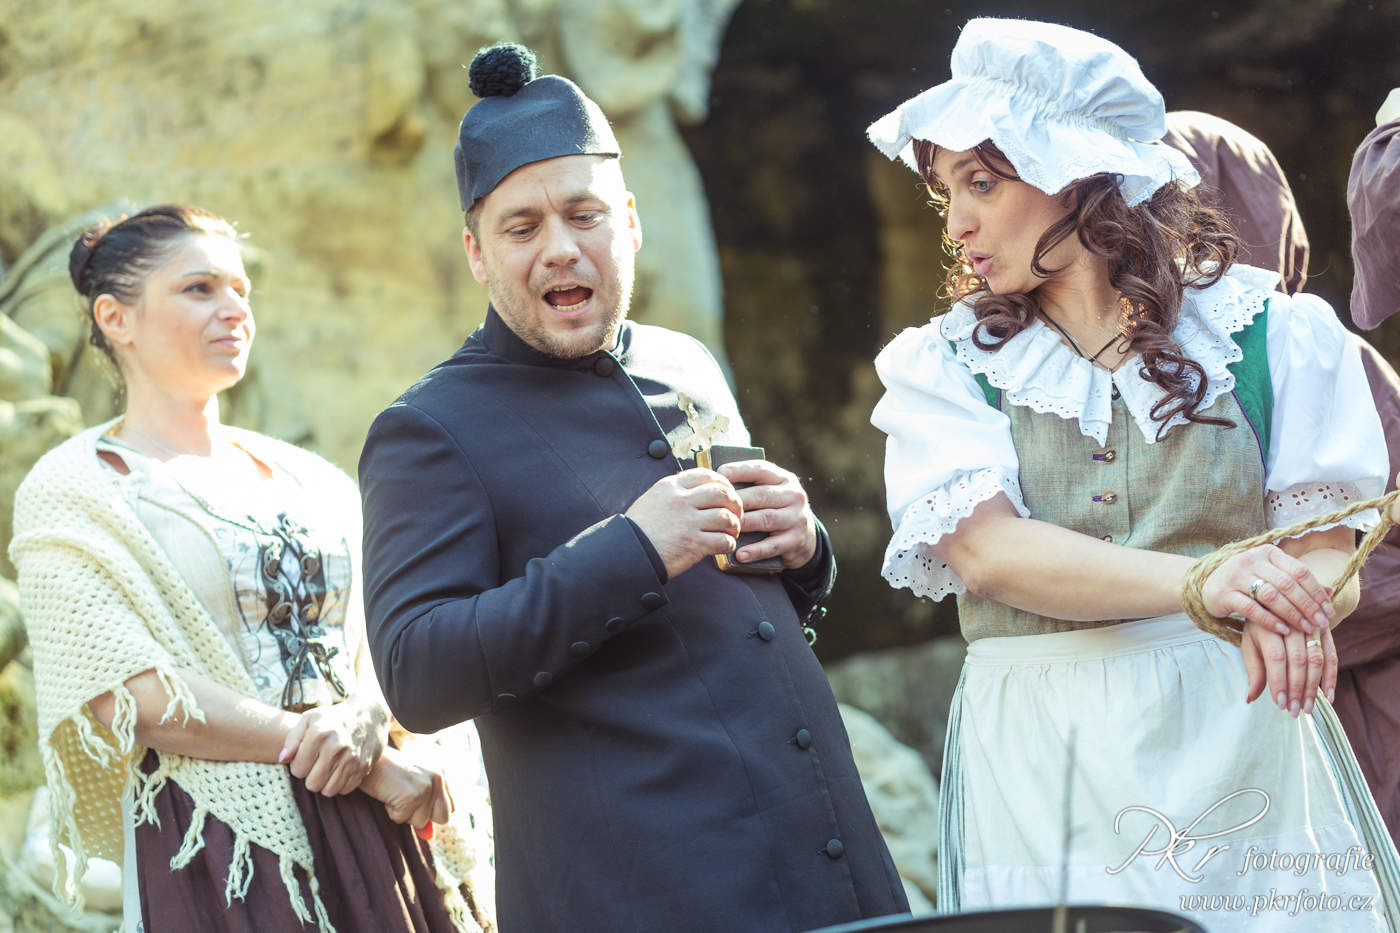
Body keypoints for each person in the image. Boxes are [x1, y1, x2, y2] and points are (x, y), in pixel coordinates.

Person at [358, 43, 908, 933]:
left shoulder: (686, 362)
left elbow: (740, 617)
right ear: (476, 253)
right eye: (522, 227)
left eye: (585, 215)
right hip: (641, 894)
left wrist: (804, 551)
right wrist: (634, 548)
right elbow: (418, 673)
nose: (560, 248)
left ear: (632, 222)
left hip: (829, 864)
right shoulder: (428, 427)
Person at [867, 19, 1397, 931]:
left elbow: (1328, 550)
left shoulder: (1274, 335)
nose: (956, 223)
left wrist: (1299, 605)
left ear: (1076, 170)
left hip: (1240, 728)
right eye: (945, 190)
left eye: (982, 183)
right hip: (1044, 747)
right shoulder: (944, 366)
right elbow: (990, 553)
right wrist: (1205, 581)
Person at [9, 205, 490, 933]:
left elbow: (385, 630)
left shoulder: (312, 478)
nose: (234, 308)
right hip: (221, 841)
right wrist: (351, 758)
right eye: (199, 288)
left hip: (383, 816)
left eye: (241, 289)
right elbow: (126, 694)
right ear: (116, 317)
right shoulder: (75, 486)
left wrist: (368, 719)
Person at [1164, 110, 1400, 848]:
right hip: (1207, 701)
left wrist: (1271, 597)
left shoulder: (1318, 357)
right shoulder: (1118, 373)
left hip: (1356, 694)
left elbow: (1371, 549)